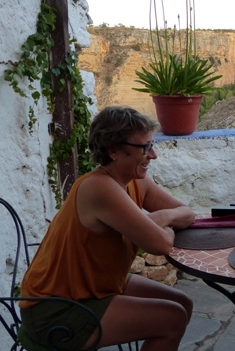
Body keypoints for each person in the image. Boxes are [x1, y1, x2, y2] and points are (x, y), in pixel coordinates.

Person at [19, 106, 196, 351]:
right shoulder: (99, 187)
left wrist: (161, 217)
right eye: (145, 147)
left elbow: (187, 213)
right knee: (172, 318)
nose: (153, 155)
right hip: (55, 308)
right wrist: (162, 224)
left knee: (183, 302)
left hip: (95, 286)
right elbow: (161, 244)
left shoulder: (136, 182)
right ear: (113, 150)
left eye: (152, 145)